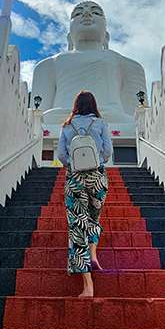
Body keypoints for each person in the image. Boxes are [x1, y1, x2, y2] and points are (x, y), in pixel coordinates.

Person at [57, 90, 113, 297]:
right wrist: (96, 161)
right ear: (94, 104)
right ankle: (93, 253)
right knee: (94, 218)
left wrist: (73, 165)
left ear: (76, 105)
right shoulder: (101, 124)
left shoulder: (66, 126)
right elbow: (108, 152)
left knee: (78, 226)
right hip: (97, 177)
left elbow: (61, 154)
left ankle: (88, 285)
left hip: (75, 179)